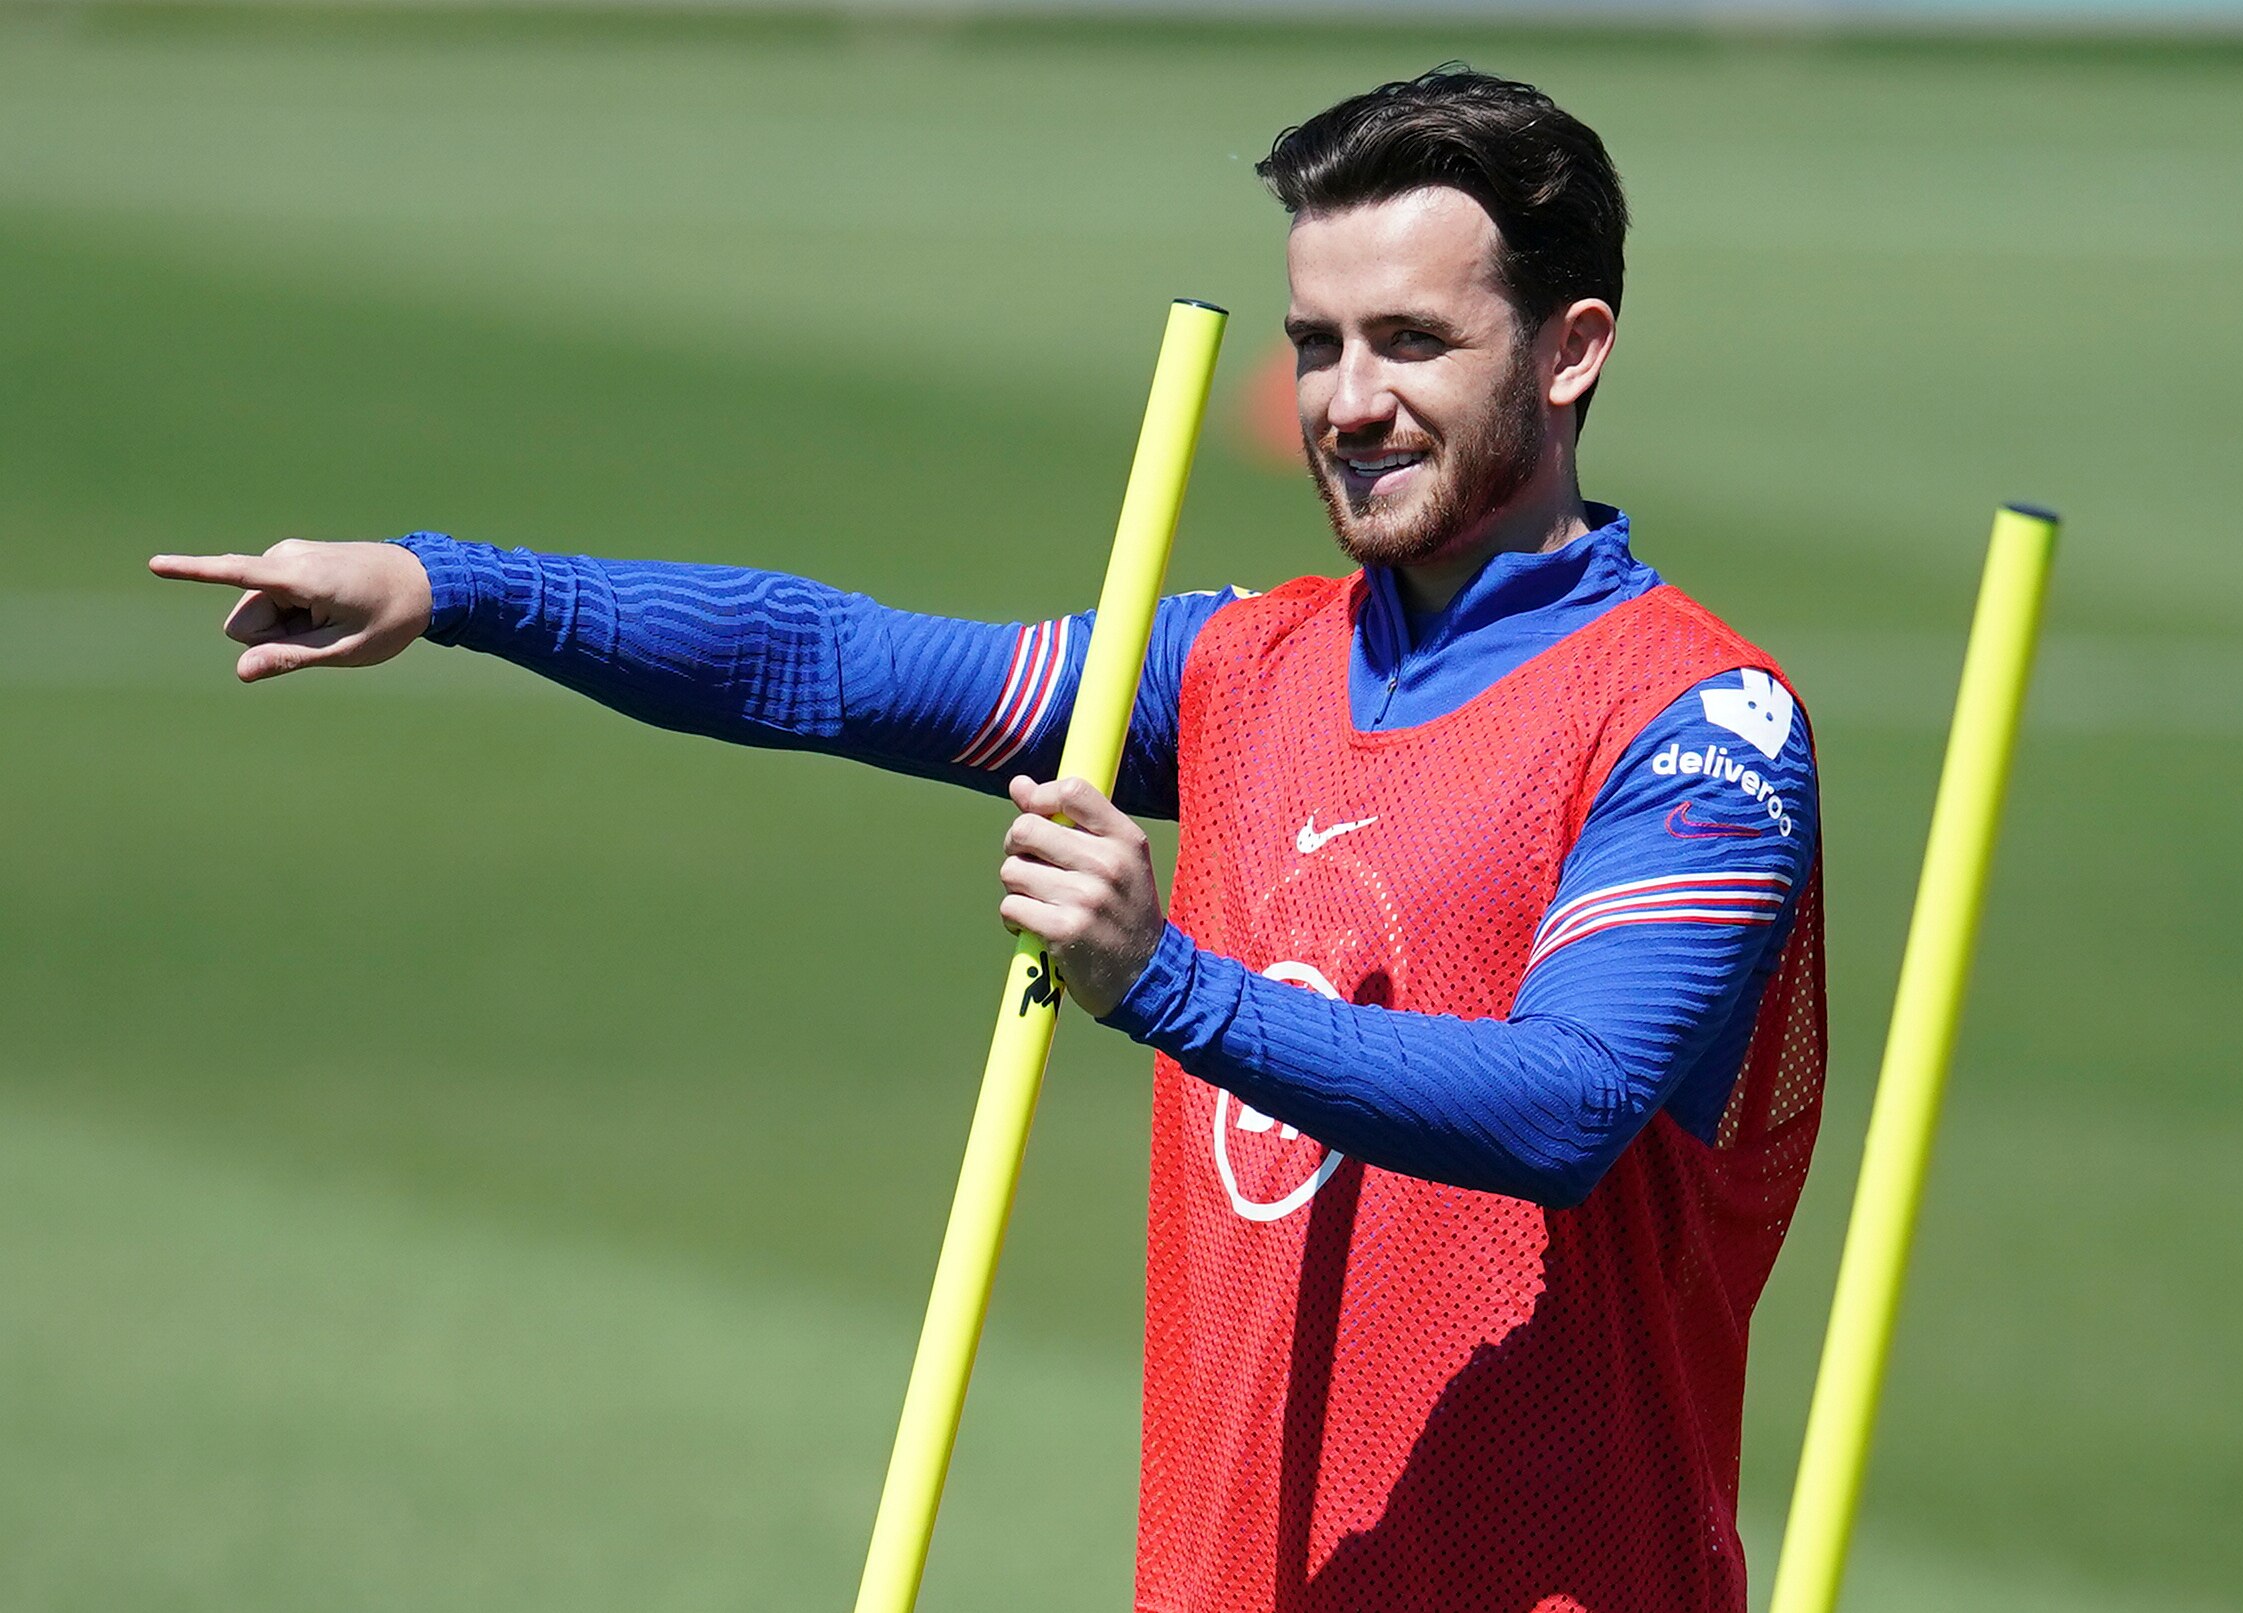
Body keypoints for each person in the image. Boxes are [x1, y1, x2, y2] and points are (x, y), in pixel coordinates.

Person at [153, 68, 1825, 1613]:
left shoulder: (1698, 722)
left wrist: (1164, 981)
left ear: (1569, 345)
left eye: (1409, 342)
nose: (1348, 402)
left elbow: (1571, 1106)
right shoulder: (1242, 667)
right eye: (1317, 344)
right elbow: (837, 663)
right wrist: (460, 588)